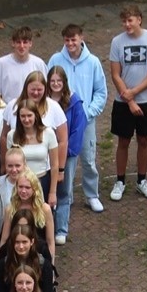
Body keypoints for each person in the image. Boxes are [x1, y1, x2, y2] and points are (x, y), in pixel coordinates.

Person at [46, 23, 108, 214]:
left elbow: (100, 92)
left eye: (74, 39)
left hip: (85, 121)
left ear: (81, 38)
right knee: (66, 159)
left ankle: (92, 195)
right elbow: (49, 85)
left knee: (88, 159)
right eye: (67, 40)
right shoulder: (56, 59)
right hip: (59, 121)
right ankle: (67, 195)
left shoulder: (93, 62)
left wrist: (87, 113)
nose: (70, 43)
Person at [108, 4, 147, 201]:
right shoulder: (117, 41)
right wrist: (129, 98)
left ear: (139, 19)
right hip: (123, 101)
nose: (127, 24)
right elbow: (115, 74)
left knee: (143, 140)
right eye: (124, 21)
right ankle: (120, 181)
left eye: (130, 20)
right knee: (123, 141)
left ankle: (142, 180)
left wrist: (135, 92)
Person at [45, 65, 84, 244]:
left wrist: (67, 152)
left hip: (66, 155)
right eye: (52, 81)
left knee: (64, 190)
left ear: (64, 82)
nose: (55, 84)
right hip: (47, 154)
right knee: (47, 189)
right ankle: (46, 226)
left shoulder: (74, 102)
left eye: (59, 81)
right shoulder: (43, 102)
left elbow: (77, 129)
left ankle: (61, 228)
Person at [9, 98, 60, 208]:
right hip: (20, 185)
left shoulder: (48, 133)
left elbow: (55, 165)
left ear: (36, 115)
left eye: (29, 115)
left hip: (42, 182)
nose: (26, 119)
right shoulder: (12, 135)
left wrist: (52, 192)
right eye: (23, 116)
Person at [0, 25, 46, 107]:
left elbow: (45, 92)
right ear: (13, 43)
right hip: (9, 111)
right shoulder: (2, 63)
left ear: (30, 43)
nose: (22, 46)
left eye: (25, 42)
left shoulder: (39, 63)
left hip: (33, 111)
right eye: (18, 42)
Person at [0, 146, 28, 250]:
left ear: (24, 165)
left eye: (17, 165)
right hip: (5, 236)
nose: (14, 170)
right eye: (10, 166)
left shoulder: (32, 183)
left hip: (27, 235)